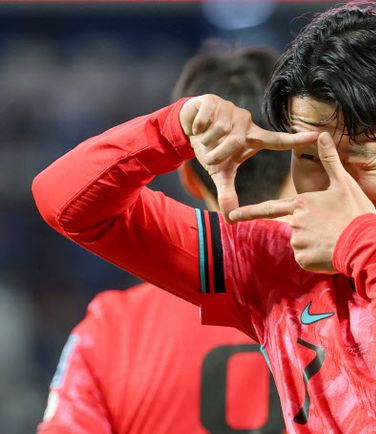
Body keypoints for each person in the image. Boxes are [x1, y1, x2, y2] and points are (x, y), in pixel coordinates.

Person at [33, 3, 376, 433]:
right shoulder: (272, 262)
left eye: (362, 153)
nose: (335, 187)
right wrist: (172, 130)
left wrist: (365, 250)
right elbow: (66, 201)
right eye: (310, 157)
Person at [36, 44, 288, 434]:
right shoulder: (358, 282)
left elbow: (60, 197)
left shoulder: (114, 329)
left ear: (188, 178)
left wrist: (173, 130)